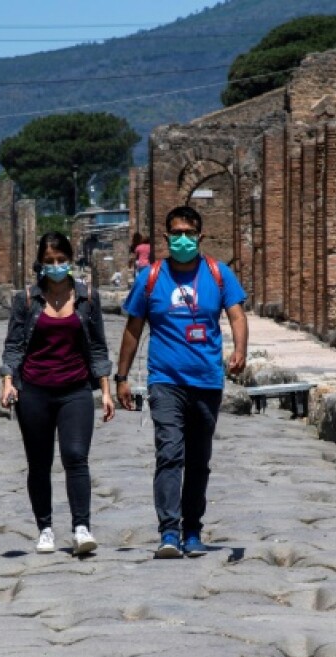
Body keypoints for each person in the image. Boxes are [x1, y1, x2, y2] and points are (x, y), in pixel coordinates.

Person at [115, 206, 248, 558]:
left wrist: (240, 350)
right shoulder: (151, 278)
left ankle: (192, 530)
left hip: (206, 380)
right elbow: (133, 329)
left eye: (190, 233)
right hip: (165, 380)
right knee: (170, 453)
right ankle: (169, 532)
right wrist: (121, 377)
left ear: (200, 237)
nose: (183, 239)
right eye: (177, 234)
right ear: (166, 237)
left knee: (199, 459)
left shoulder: (218, 274)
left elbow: (237, 315)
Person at [0, 231, 115, 555]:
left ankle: (81, 528)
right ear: (40, 263)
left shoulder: (87, 298)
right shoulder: (26, 299)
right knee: (39, 463)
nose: (56, 266)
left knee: (76, 456)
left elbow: (98, 347)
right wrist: (8, 381)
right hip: (34, 391)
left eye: (61, 260)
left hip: (75, 390)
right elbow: (14, 346)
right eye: (49, 261)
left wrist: (105, 391)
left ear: (70, 259)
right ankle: (45, 528)